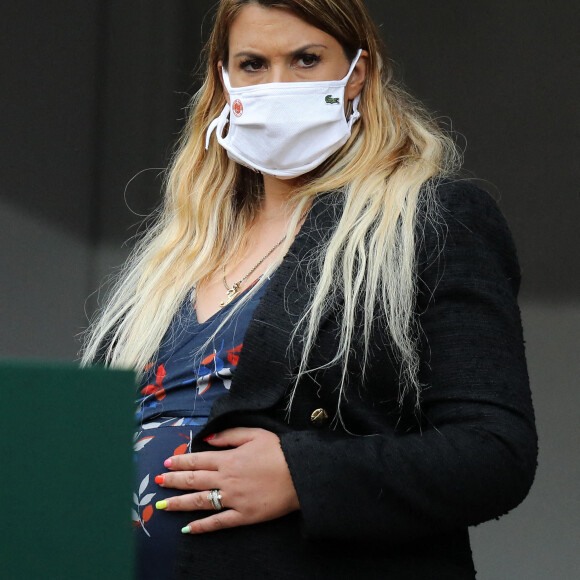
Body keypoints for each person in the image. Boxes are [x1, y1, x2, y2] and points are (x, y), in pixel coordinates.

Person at [82, 1, 538, 578]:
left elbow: (495, 454)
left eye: (305, 59)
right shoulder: (177, 252)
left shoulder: (430, 219)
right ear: (223, 83)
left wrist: (303, 476)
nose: (277, 86)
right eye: (252, 64)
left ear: (358, 74)